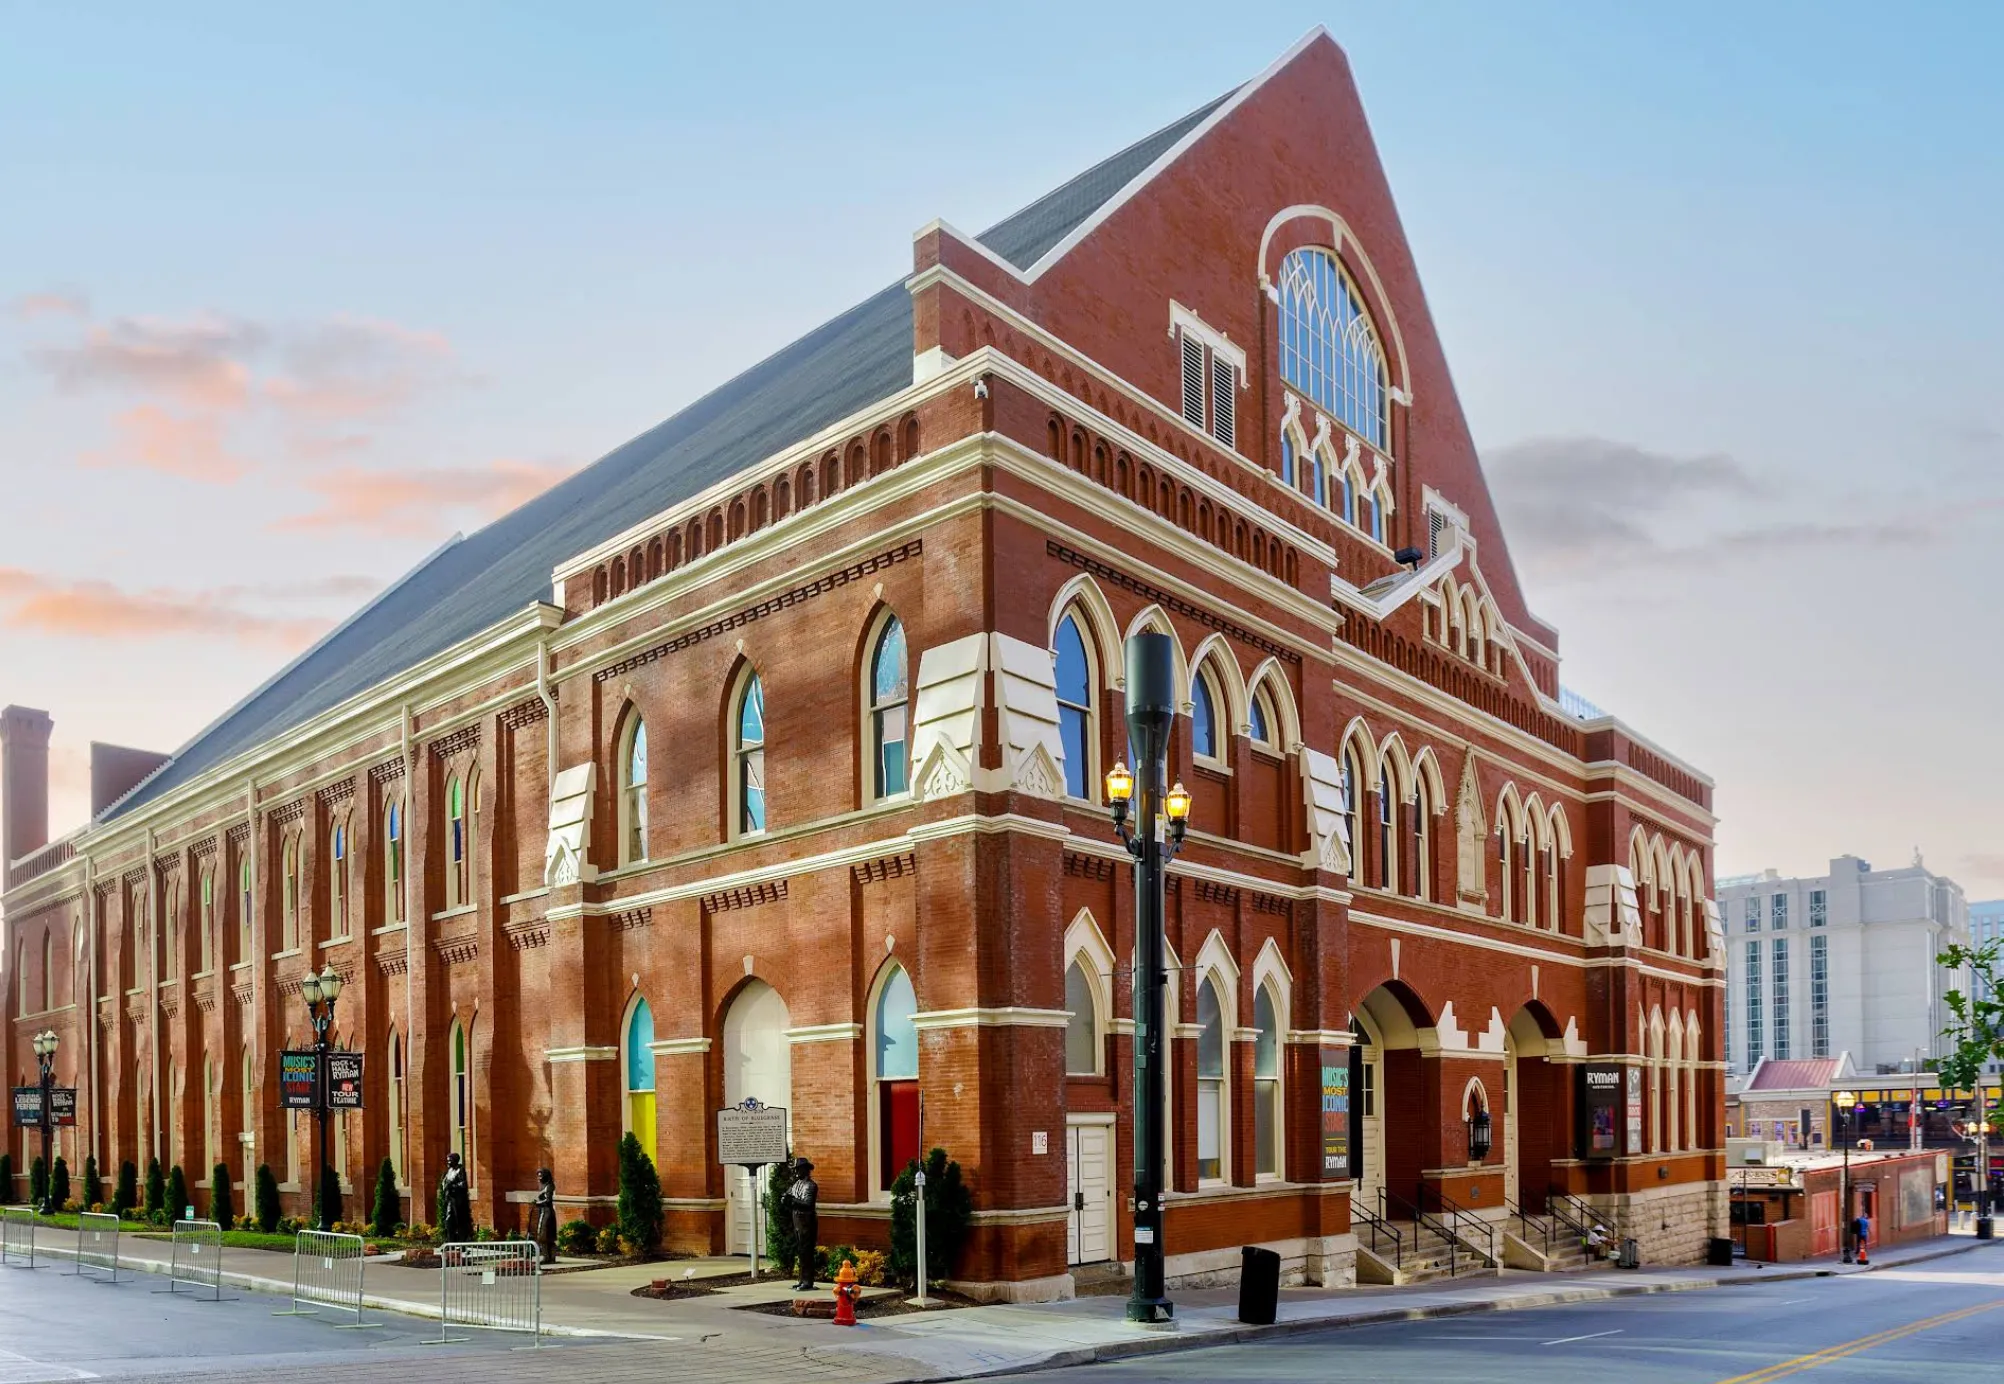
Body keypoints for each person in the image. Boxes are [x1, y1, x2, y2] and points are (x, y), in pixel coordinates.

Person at [786, 1157, 820, 1291]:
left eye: (799, 1169)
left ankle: (808, 1281)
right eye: (796, 1170)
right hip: (797, 1222)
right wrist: (785, 1199)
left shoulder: (811, 1185)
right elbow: (788, 1197)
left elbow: (808, 1204)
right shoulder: (796, 1184)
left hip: (807, 1222)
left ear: (805, 1170)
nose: (796, 1172)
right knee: (801, 1252)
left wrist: (793, 1200)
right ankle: (801, 1280)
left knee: (807, 1252)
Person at [438, 1151, 474, 1244]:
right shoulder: (448, 1171)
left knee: (460, 1222)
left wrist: (452, 1185)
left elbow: (463, 1184)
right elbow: (445, 1183)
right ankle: (451, 1243)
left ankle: (462, 1243)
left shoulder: (460, 1170)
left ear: (455, 1161)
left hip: (458, 1201)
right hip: (450, 1199)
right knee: (449, 1221)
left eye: (450, 1161)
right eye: (447, 1160)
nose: (448, 1162)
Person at [532, 1167, 559, 1265]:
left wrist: (537, 1203)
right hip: (543, 1212)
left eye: (541, 1176)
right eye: (538, 1176)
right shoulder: (544, 1186)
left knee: (544, 1235)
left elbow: (548, 1200)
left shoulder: (549, 1186)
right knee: (545, 1236)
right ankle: (549, 1256)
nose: (539, 1178)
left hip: (547, 1213)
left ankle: (548, 1257)